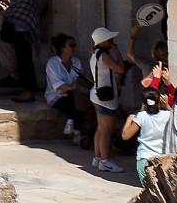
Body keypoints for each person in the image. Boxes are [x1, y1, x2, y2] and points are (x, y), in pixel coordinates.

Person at [89, 25, 128, 173]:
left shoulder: (94, 54)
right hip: (105, 97)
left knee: (100, 128)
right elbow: (120, 69)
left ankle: (98, 158)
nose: (112, 42)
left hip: (97, 93)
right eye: (109, 40)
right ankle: (105, 161)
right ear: (102, 41)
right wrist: (117, 52)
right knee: (107, 130)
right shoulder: (104, 56)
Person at [43, 34, 88, 138]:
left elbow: (80, 80)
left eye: (74, 45)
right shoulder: (52, 63)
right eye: (71, 45)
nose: (74, 48)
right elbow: (58, 85)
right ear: (62, 48)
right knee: (75, 100)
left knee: (78, 101)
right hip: (56, 97)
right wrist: (73, 88)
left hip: (73, 95)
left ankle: (71, 122)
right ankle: (77, 131)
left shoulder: (76, 62)